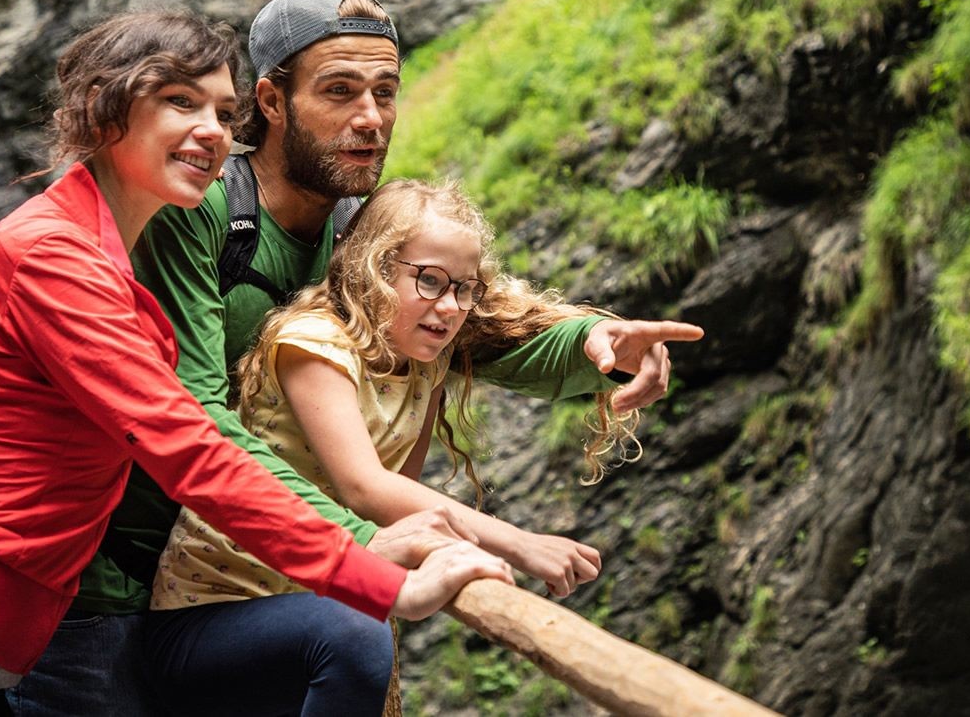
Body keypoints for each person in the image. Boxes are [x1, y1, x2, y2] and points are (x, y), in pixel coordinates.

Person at [0, 10, 512, 717]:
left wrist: (585, 343)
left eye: (224, 112)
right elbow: (190, 447)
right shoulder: (53, 260)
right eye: (180, 102)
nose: (212, 131)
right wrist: (378, 582)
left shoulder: (102, 252)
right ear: (103, 110)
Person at [10, 0, 703, 715]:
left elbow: (468, 326)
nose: (370, 118)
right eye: (340, 91)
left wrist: (592, 341)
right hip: (109, 591)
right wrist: (357, 544)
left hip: (261, 580)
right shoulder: (200, 209)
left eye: (386, 91)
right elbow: (196, 415)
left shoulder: (360, 229)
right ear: (272, 102)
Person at [144, 180, 645, 715]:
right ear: (374, 271)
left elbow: (400, 493)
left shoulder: (426, 364)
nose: (450, 305)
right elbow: (368, 488)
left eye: (465, 288)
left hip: (316, 606)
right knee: (359, 632)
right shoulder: (312, 344)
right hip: (214, 615)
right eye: (429, 281)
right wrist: (516, 543)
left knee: (359, 630)